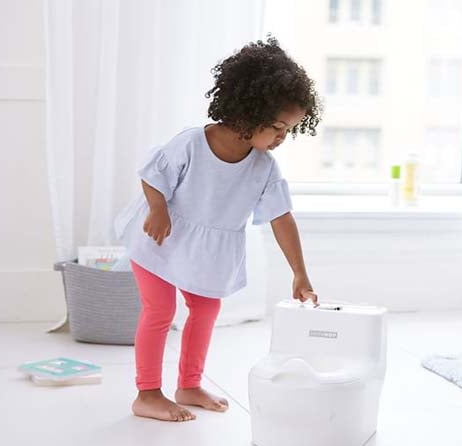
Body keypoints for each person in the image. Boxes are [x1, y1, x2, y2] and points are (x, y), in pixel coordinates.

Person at [114, 36, 321, 423]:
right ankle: (147, 393)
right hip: (161, 240)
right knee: (159, 310)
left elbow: (282, 217)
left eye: (289, 130)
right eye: (278, 127)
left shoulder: (263, 168)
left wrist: (299, 271)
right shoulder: (192, 143)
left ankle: (188, 384)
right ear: (248, 112)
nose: (282, 138)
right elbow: (152, 174)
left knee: (206, 310)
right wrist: (158, 208)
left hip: (206, 254)